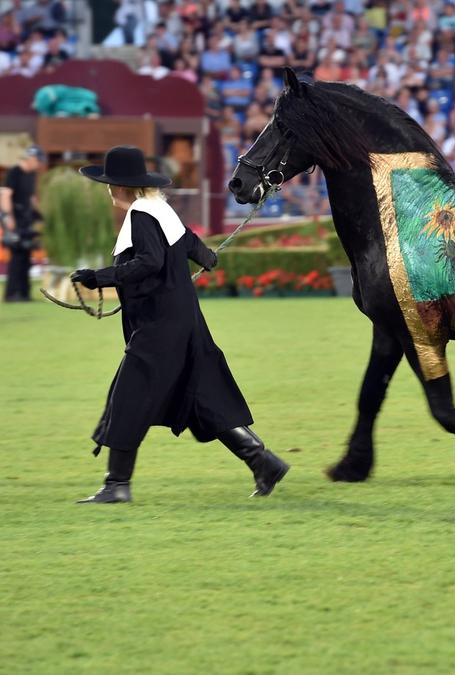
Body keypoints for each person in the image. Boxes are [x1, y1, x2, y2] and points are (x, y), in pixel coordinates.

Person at [70, 146, 290, 504]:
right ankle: (263, 462)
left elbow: (150, 262)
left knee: (128, 398)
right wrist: (206, 258)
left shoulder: (142, 215)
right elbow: (193, 247)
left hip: (158, 327)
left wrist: (100, 277)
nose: (109, 190)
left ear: (122, 187)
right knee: (203, 397)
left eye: (111, 184)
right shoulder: (161, 210)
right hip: (185, 321)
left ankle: (117, 485)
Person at [1, 145, 45, 303]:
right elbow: (5, 195)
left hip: (26, 220)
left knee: (26, 256)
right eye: (38, 161)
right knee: (17, 257)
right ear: (31, 159)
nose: (39, 165)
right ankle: (12, 294)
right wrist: (8, 217)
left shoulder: (31, 175)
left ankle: (24, 293)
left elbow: (31, 198)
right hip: (14, 219)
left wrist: (40, 215)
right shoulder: (14, 173)